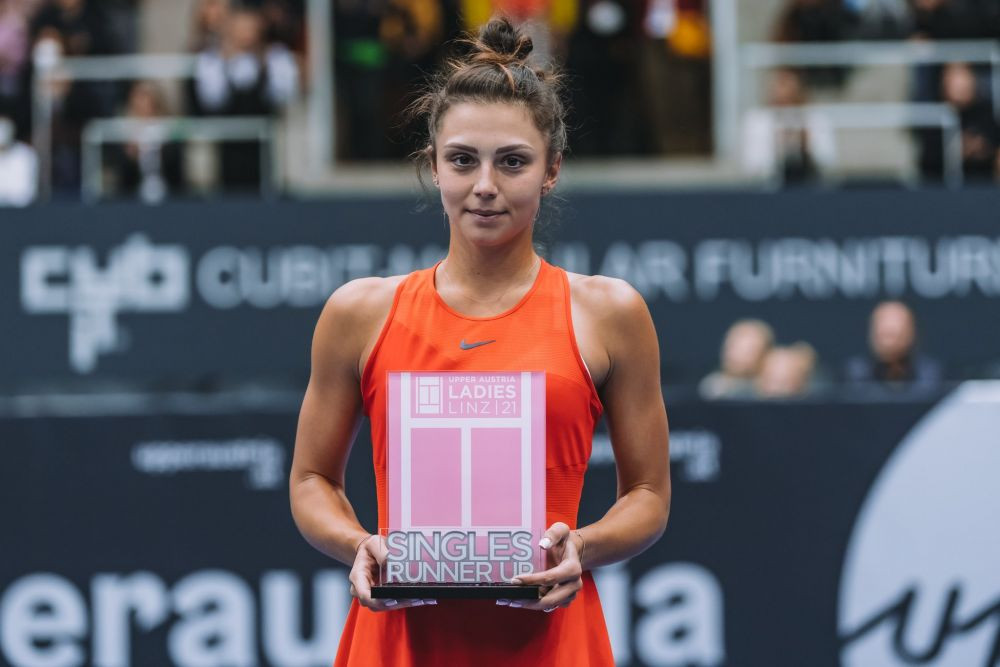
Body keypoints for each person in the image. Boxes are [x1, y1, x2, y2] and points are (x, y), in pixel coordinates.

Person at [289, 16, 670, 666]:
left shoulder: (609, 313)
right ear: (432, 167)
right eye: (462, 159)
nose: (485, 184)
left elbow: (650, 495)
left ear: (551, 170)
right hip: (400, 642)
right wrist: (359, 543)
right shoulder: (359, 313)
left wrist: (583, 543)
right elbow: (311, 478)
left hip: (551, 642)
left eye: (512, 161)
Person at [844, 300, 943, 392]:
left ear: (911, 333)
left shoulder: (929, 375)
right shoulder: (856, 374)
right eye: (884, 333)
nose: (889, 342)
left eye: (894, 333)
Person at [699, 318, 774, 399]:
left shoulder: (773, 388)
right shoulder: (712, 386)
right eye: (733, 347)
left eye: (748, 351)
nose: (736, 356)